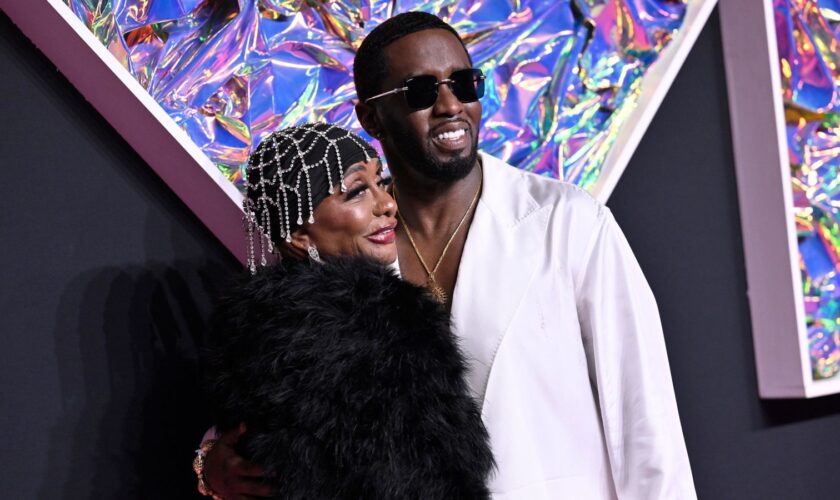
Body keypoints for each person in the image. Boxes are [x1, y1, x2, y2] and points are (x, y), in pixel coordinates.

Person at [206, 12, 696, 499]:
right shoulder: (353, 244)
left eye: (464, 83)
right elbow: (289, 390)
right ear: (371, 116)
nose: (450, 105)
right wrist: (212, 462)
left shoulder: (568, 222)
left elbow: (644, 418)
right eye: (420, 91)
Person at [195, 123, 494, 499]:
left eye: (381, 184)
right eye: (356, 192)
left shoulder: (257, 330)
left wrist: (207, 464)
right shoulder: (384, 325)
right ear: (298, 234)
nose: (387, 204)